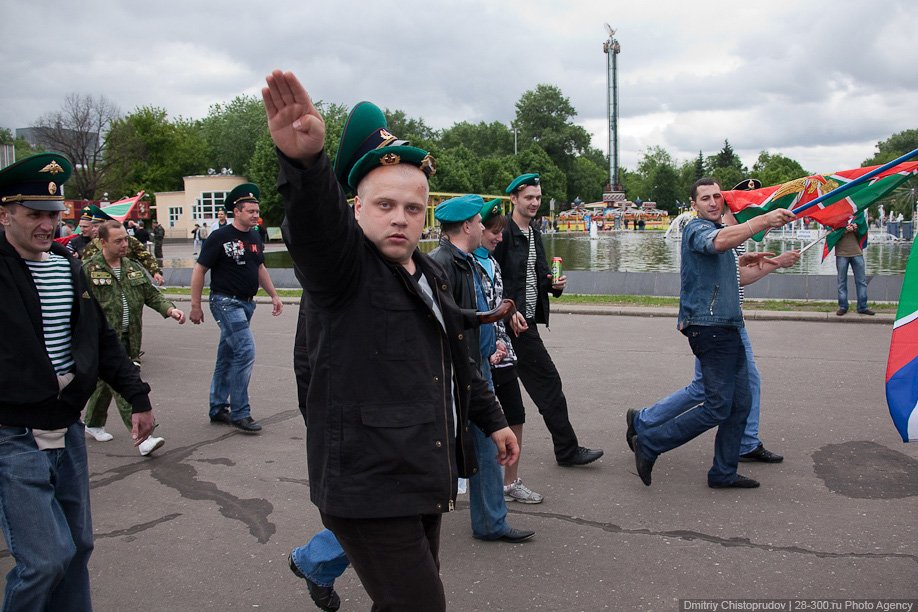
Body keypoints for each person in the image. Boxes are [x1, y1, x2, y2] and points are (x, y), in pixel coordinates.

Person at [264, 70, 518, 610]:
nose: (399, 219)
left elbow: (455, 358)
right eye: (384, 205)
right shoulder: (344, 271)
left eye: (411, 208)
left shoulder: (430, 273)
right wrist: (305, 166)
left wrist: (492, 420)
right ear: (356, 208)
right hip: (368, 485)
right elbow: (315, 229)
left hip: (421, 473)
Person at [0, 153, 157, 610]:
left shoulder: (69, 267)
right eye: (35, 214)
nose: (47, 224)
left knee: (78, 549)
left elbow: (102, 341)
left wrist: (138, 396)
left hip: (66, 431)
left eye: (53, 214)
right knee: (45, 561)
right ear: (5, 213)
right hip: (13, 436)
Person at [630, 178, 796, 489]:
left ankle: (723, 471)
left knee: (741, 402)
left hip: (729, 326)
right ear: (694, 205)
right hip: (709, 328)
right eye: (705, 198)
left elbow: (736, 274)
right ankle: (650, 441)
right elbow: (718, 241)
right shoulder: (697, 228)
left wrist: (771, 264)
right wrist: (763, 220)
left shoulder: (722, 235)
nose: (712, 202)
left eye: (717, 196)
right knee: (717, 403)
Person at [429, 194, 535, 543]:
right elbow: (451, 322)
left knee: (486, 447)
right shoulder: (444, 264)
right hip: (465, 374)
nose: (481, 227)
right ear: (466, 226)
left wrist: (494, 336)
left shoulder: (462, 261)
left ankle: (491, 521)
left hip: (475, 367)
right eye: (477, 222)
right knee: (458, 449)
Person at [493, 172, 604, 467]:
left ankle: (564, 450)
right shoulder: (501, 231)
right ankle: (566, 450)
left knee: (518, 391)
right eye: (528, 197)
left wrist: (553, 285)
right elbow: (492, 276)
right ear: (514, 198)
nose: (534, 203)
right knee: (546, 385)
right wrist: (508, 310)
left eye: (538, 198)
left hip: (524, 322)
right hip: (508, 324)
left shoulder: (534, 232)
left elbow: (537, 274)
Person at [82, 220, 185, 455]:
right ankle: (143, 436)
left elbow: (150, 294)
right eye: (118, 241)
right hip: (105, 340)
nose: (124, 244)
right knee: (125, 384)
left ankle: (93, 422)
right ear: (103, 242)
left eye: (126, 239)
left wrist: (170, 310)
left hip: (131, 336)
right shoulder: (88, 269)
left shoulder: (132, 267)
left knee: (106, 383)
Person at [190, 182, 283, 433]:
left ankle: (218, 407)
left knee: (228, 355)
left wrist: (274, 295)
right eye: (251, 211)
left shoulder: (254, 236)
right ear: (237, 211)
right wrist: (195, 305)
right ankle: (241, 412)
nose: (256, 215)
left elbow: (259, 267)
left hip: (247, 304)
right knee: (245, 351)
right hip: (225, 301)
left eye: (257, 211)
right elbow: (200, 270)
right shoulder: (219, 236)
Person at [473, 202, 544, 503]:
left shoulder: (492, 262)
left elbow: (498, 299)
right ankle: (478, 486)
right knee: (478, 423)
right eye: (493, 232)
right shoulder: (464, 264)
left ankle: (510, 483)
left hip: (505, 353)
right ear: (476, 229)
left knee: (515, 413)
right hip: (483, 357)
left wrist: (510, 311)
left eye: (501, 232)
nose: (499, 238)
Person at [82, 206, 165, 285]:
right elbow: (84, 267)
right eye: (93, 226)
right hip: (104, 284)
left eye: (96, 226)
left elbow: (145, 256)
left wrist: (155, 272)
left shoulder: (130, 241)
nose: (93, 229)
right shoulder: (92, 245)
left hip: (128, 282)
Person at [834, 212, 874, 316]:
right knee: (841, 281)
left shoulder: (858, 214)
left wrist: (856, 229)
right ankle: (843, 306)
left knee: (861, 281)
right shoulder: (837, 215)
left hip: (857, 252)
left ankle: (862, 306)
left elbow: (863, 230)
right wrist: (844, 231)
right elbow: (832, 233)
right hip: (841, 253)